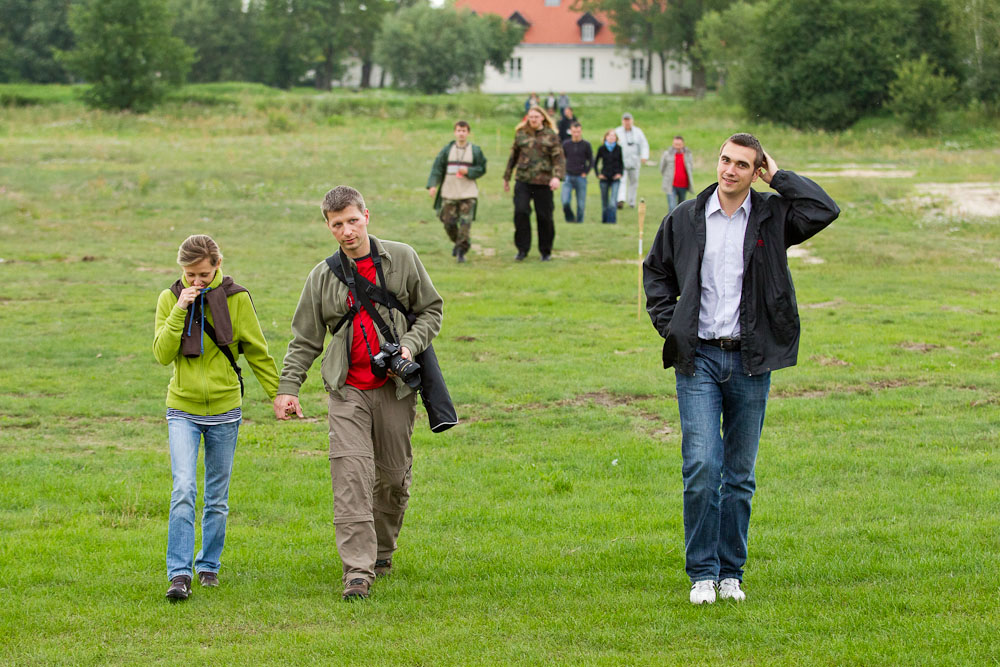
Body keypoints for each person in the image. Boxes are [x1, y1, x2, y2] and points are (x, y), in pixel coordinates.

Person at [643, 133, 839, 605]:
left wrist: (780, 177)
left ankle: (731, 572)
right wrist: (674, 329)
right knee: (702, 466)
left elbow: (823, 209)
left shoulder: (772, 215)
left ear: (756, 172)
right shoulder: (685, 218)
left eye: (743, 164)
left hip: (752, 359)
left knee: (739, 473)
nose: (729, 170)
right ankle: (702, 574)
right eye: (725, 160)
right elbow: (656, 274)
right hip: (699, 358)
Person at [274, 186, 443, 601]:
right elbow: (304, 340)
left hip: (395, 389)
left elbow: (432, 310)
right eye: (337, 225)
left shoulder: (402, 258)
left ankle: (382, 553)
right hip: (346, 390)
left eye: (353, 220)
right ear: (327, 226)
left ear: (367, 214)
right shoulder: (322, 276)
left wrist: (408, 345)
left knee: (390, 478)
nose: (347, 231)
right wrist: (288, 388)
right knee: (350, 477)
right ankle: (357, 572)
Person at [153, 234, 280, 601]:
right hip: (183, 408)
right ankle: (179, 575)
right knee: (182, 490)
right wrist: (180, 309)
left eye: (204, 275)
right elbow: (162, 355)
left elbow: (257, 351)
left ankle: (208, 566)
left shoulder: (237, 298)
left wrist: (278, 396)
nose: (196, 282)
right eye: (190, 274)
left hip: (225, 409)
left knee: (217, 497)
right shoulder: (168, 298)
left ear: (217, 266)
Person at [503, 106, 566, 261]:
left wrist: (557, 177)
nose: (533, 120)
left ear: (542, 118)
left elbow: (558, 159)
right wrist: (507, 177)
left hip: (543, 182)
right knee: (521, 212)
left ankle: (545, 251)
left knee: (544, 217)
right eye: (530, 117)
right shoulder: (521, 134)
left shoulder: (551, 136)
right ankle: (522, 250)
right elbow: (513, 156)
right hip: (523, 180)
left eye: (536, 117)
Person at [426, 120, 488, 263]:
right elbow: (437, 168)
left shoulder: (475, 150)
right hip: (449, 192)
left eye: (464, 131)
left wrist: (469, 171)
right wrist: (433, 185)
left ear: (468, 133)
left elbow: (482, 168)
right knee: (448, 223)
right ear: (455, 132)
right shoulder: (447, 150)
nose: (461, 133)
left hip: (468, 193)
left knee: (465, 224)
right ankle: (459, 243)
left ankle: (461, 252)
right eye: (459, 130)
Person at [614, 112, 650, 209]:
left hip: (634, 161)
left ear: (632, 121)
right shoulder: (617, 132)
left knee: (634, 182)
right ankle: (621, 199)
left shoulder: (638, 132)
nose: (627, 122)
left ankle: (631, 201)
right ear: (622, 121)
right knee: (622, 180)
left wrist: (644, 156)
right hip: (622, 161)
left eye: (628, 120)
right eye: (625, 120)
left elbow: (644, 145)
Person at [561, 121, 593, 223]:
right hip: (568, 176)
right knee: (565, 201)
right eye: (574, 132)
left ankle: (579, 222)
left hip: (580, 176)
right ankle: (569, 218)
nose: (576, 134)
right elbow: (561, 158)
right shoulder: (566, 144)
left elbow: (591, 160)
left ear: (581, 131)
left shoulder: (586, 144)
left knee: (581, 203)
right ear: (571, 131)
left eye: (578, 132)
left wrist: (586, 172)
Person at [593, 129, 623, 224]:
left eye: (613, 136)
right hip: (604, 178)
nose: (611, 137)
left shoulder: (618, 148)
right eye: (609, 136)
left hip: (615, 178)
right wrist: (598, 174)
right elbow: (595, 162)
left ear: (616, 138)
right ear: (606, 137)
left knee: (612, 202)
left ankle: (612, 221)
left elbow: (621, 163)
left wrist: (620, 173)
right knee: (605, 202)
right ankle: (605, 221)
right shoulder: (602, 149)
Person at [659, 135, 695, 212]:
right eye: (675, 144)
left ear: (683, 144)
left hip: (683, 185)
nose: (677, 146)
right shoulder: (667, 154)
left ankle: (679, 223)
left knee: (681, 207)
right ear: (673, 144)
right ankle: (671, 223)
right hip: (671, 185)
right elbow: (662, 168)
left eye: (679, 144)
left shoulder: (688, 154)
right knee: (672, 206)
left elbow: (691, 167)